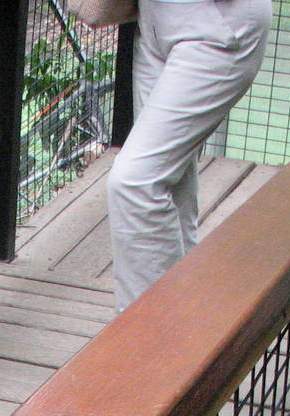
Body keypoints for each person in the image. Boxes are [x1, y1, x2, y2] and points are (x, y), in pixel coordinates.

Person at [106, 0, 271, 311]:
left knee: (135, 181)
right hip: (155, 22)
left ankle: (144, 340)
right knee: (172, 183)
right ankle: (181, 327)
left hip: (217, 26)